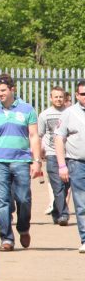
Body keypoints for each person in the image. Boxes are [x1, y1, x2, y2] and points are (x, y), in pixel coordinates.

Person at [0, 73, 43, 251]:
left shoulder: (26, 109)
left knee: (23, 198)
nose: (0, 94)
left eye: (3, 90)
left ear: (12, 90)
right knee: (2, 201)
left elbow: (33, 136)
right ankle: (6, 239)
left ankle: (23, 228)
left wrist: (37, 161)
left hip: (21, 160)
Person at [54, 81, 85, 254]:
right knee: (81, 202)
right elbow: (59, 138)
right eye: (82, 94)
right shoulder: (69, 113)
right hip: (77, 163)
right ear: (76, 95)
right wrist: (61, 165)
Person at [39, 86, 70, 225]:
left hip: (69, 154)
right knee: (57, 185)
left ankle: (56, 211)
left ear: (65, 98)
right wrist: (40, 154)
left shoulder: (70, 113)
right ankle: (63, 214)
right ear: (51, 98)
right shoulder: (44, 115)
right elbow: (39, 135)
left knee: (66, 185)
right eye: (55, 97)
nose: (58, 99)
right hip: (51, 155)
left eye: (60, 97)